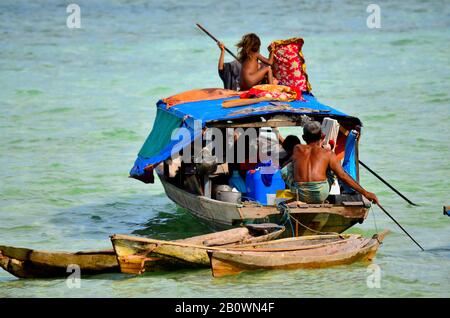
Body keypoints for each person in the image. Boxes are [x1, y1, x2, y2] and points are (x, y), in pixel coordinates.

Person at [282, 121, 379, 205]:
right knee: (334, 168)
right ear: (322, 136)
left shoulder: (297, 149)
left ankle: (292, 195)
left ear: (303, 137)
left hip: (300, 193)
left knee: (287, 168)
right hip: (320, 194)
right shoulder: (328, 153)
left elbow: (285, 168)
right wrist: (365, 193)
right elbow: (343, 175)